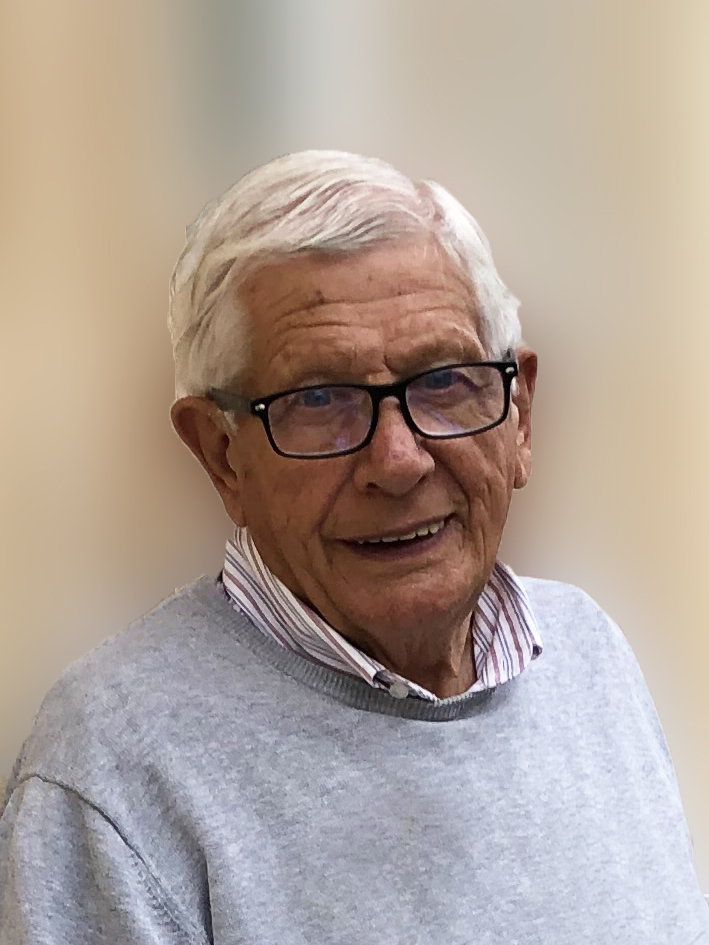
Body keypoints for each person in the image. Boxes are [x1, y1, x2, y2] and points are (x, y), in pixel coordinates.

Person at [1, 151, 707, 944]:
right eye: (318, 398)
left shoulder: (588, 655)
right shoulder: (112, 769)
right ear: (221, 455)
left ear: (519, 417)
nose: (397, 461)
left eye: (443, 380)